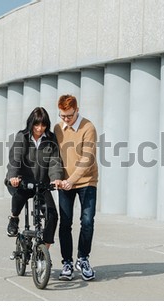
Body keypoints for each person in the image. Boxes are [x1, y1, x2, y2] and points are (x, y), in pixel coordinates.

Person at [54, 94, 98, 281]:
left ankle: (83, 258)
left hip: (86, 181)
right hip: (64, 183)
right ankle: (67, 262)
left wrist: (72, 180)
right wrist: (58, 178)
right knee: (65, 222)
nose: (66, 119)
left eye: (69, 116)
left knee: (87, 221)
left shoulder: (88, 127)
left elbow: (87, 159)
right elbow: (53, 156)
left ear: (77, 110)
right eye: (62, 115)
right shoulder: (57, 129)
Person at [5, 107, 63, 248]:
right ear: (31, 123)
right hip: (22, 182)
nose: (40, 128)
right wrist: (13, 177)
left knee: (52, 214)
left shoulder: (50, 139)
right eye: (36, 124)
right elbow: (15, 159)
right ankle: (14, 218)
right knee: (19, 196)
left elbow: (55, 161)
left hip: (41, 184)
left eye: (43, 125)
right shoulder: (22, 137)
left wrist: (56, 178)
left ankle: (45, 251)